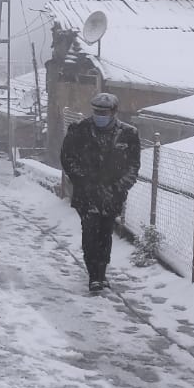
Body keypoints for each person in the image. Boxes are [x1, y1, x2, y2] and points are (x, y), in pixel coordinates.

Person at [58, 92, 141, 292]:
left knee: (105, 234)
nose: (100, 115)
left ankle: (102, 272)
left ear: (114, 112)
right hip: (86, 195)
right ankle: (94, 275)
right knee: (89, 233)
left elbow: (133, 166)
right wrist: (84, 181)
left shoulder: (129, 134)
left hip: (113, 196)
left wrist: (119, 187)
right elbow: (67, 158)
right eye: (96, 111)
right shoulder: (79, 130)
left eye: (104, 112)